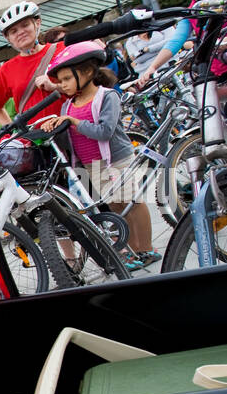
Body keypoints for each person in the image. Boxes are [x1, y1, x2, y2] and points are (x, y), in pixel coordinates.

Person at [40, 41, 159, 269]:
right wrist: (55, 128)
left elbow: (104, 131)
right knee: (115, 207)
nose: (62, 85)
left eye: (66, 79)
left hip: (116, 160)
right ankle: (133, 251)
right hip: (91, 164)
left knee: (131, 203)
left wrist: (73, 121)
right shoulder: (68, 106)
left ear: (86, 72)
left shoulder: (107, 97)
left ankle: (146, 248)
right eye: (60, 81)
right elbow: (71, 139)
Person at [0, 0, 60, 127]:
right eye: (13, 31)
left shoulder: (61, 50)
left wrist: (55, 86)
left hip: (71, 125)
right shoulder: (6, 70)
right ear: (8, 38)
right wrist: (16, 133)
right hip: (38, 140)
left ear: (37, 23)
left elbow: (82, 85)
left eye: (25, 25)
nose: (20, 32)